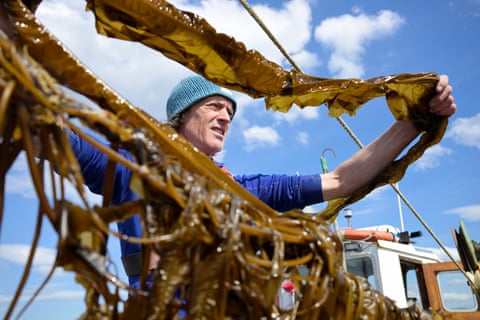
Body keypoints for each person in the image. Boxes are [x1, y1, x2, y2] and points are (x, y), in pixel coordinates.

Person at [68, 74, 455, 288]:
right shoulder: (129, 168)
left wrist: (414, 121)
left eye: (230, 112)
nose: (225, 117)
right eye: (213, 107)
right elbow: (44, 125)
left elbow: (339, 180)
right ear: (181, 117)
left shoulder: (243, 189)